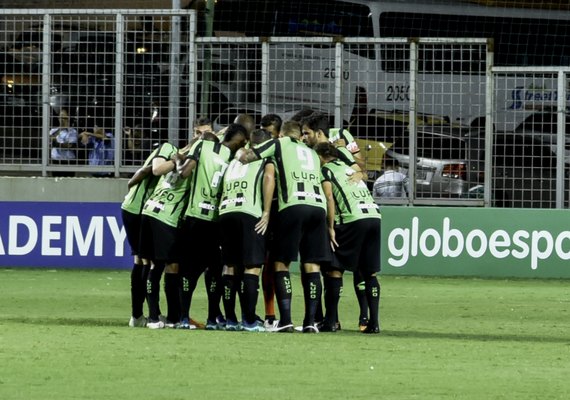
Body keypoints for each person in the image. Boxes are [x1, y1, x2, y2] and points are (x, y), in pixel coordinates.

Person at [238, 120, 330, 333]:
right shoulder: (311, 152)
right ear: (300, 135)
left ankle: (286, 320)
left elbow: (248, 158)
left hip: (293, 206)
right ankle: (310, 323)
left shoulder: (279, 144)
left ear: (282, 134)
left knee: (281, 264)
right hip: (317, 207)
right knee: (312, 265)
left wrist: (240, 153)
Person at [301, 112, 370, 330]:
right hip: (322, 211)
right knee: (325, 268)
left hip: (348, 212)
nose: (303, 137)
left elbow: (361, 165)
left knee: (359, 267)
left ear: (318, 132)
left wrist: (361, 173)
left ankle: (364, 317)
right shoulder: (306, 151)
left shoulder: (341, 137)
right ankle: (328, 318)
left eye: (306, 133)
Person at [176, 123, 249, 331]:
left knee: (189, 270)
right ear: (240, 141)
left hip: (195, 217)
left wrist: (178, 163)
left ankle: (183, 317)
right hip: (218, 221)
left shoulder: (203, 145)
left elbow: (184, 173)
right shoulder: (236, 159)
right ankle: (212, 319)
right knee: (215, 271)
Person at [315, 142, 382, 334]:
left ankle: (331, 322)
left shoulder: (325, 171)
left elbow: (329, 198)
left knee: (334, 269)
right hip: (374, 216)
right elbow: (363, 174)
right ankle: (374, 323)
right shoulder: (348, 168)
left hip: (353, 219)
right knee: (369, 272)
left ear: (321, 157)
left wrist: (330, 227)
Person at [218, 128, 275, 332]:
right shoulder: (264, 158)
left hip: (225, 211)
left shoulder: (233, 160)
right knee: (252, 267)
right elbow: (269, 179)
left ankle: (230, 319)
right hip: (249, 211)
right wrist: (266, 212)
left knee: (230, 266)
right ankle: (249, 321)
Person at [139, 141, 191, 329]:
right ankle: (172, 317)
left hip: (149, 211)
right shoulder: (192, 166)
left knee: (154, 265)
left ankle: (154, 317)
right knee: (172, 267)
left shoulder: (172, 160)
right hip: (166, 218)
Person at [121, 144, 162, 327]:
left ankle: (138, 315)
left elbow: (144, 171)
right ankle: (148, 315)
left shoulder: (160, 153)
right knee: (146, 260)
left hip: (133, 209)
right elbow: (149, 169)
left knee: (140, 260)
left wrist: (131, 183)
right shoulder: (168, 151)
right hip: (139, 211)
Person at [49, 108, 78, 177]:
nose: (62, 119)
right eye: (60, 116)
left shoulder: (73, 131)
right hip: (56, 160)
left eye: (64, 117)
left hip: (69, 161)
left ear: (68, 118)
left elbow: (71, 145)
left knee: (69, 183)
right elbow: (52, 143)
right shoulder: (53, 131)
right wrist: (60, 129)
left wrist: (58, 144)